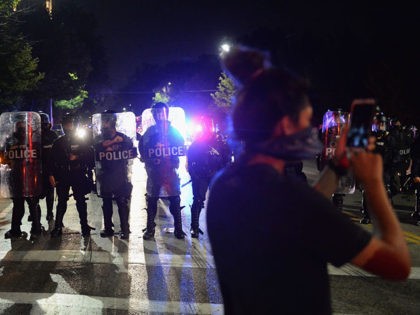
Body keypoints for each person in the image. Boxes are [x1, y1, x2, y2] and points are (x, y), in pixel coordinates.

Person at [206, 45, 411, 315]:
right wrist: (373, 182)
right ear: (285, 126)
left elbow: (294, 221)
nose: (309, 131)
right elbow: (397, 264)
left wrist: (338, 166)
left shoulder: (224, 183)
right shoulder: (291, 199)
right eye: (305, 121)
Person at [138, 102, 186, 240]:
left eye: (162, 112)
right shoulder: (149, 132)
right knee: (152, 199)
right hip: (154, 171)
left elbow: (181, 145)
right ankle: (150, 229)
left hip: (170, 170)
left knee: (175, 199)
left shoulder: (173, 131)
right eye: (157, 112)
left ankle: (179, 229)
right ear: (154, 115)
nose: (160, 115)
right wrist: (148, 159)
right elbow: (143, 149)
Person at [48, 113, 95, 238]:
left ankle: (84, 226)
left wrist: (78, 157)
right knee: (62, 201)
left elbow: (90, 156)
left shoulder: (80, 140)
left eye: (70, 124)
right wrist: (51, 174)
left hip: (77, 173)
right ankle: (58, 227)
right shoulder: (58, 142)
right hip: (63, 174)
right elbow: (51, 160)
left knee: (80, 201)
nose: (68, 126)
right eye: (65, 124)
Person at [93, 110, 136, 240]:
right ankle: (108, 228)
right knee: (106, 203)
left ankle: (125, 229)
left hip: (120, 174)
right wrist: (112, 143)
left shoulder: (123, 138)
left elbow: (132, 150)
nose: (103, 124)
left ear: (112, 121)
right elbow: (95, 150)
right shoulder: (100, 138)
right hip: (105, 174)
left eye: (105, 121)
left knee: (122, 202)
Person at [186, 116, 231, 238]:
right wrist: (194, 173)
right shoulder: (197, 143)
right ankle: (194, 227)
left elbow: (227, 158)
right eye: (204, 125)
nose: (207, 127)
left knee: (219, 201)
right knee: (198, 200)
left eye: (209, 125)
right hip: (201, 175)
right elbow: (190, 160)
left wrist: (224, 173)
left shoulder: (220, 142)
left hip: (216, 174)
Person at [1, 113, 43, 240]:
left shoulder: (32, 140)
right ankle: (17, 229)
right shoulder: (12, 141)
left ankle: (34, 228)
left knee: (31, 203)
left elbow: (38, 158)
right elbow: (4, 158)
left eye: (22, 124)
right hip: (17, 177)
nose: (20, 126)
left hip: (29, 176)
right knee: (20, 204)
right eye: (19, 124)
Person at [38, 112, 58, 221]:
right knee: (35, 195)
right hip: (36, 169)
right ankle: (35, 215)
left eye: (43, 124)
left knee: (50, 193)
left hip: (49, 168)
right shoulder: (32, 136)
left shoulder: (52, 135)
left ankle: (50, 213)